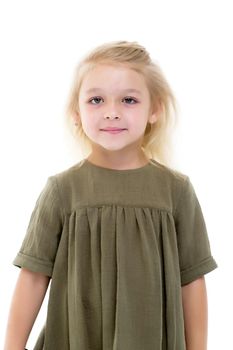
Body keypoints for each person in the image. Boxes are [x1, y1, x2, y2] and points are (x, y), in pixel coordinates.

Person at [4, 40, 218, 350]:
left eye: (129, 100)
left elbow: (192, 279)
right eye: (96, 100)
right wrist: (12, 346)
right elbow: (34, 275)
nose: (112, 113)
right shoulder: (62, 191)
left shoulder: (176, 191)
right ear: (76, 111)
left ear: (154, 109)